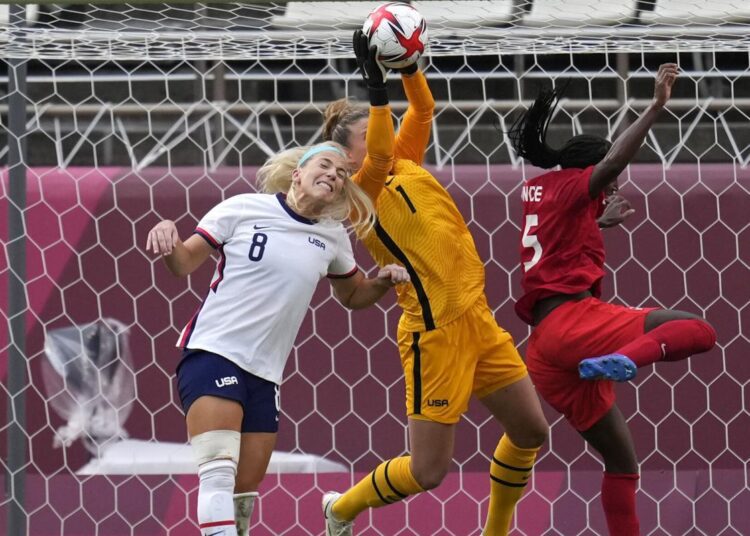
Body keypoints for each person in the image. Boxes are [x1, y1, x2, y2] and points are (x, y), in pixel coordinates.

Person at [319, 32, 549, 536]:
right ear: (348, 153)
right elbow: (378, 154)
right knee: (428, 472)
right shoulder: (361, 194)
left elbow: (422, 110)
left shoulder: (404, 162)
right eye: (371, 132)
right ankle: (341, 509)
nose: (387, 131)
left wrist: (407, 64)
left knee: (531, 429)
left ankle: (496, 532)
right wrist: (375, 88)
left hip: (476, 318)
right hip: (433, 334)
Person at [145, 142, 410, 536]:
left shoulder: (332, 237)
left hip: (266, 375)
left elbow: (353, 296)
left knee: (243, 493)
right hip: (213, 352)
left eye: (341, 175)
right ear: (297, 173)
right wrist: (168, 235)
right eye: (325, 166)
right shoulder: (242, 209)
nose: (334, 177)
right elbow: (183, 262)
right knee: (218, 471)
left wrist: (381, 282)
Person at [508, 64, 717, 535]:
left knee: (622, 462)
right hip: (574, 325)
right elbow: (612, 165)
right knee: (697, 331)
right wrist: (656, 106)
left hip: (546, 351)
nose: (610, 193)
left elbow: (557, 239)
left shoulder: (540, 192)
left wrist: (598, 223)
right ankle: (624, 359)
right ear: (590, 173)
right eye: (607, 188)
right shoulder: (576, 185)